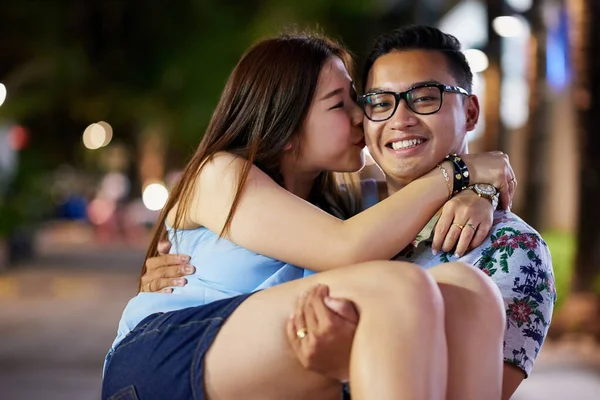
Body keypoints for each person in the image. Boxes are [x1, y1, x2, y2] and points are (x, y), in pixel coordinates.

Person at [144, 26, 555, 400]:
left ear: (469, 112)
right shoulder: (231, 178)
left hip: (267, 371)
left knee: (470, 291)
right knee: (401, 288)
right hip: (175, 355)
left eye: (425, 97)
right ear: (286, 125)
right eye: (373, 102)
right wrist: (461, 173)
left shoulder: (508, 249)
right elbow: (345, 245)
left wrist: (479, 190)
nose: (393, 118)